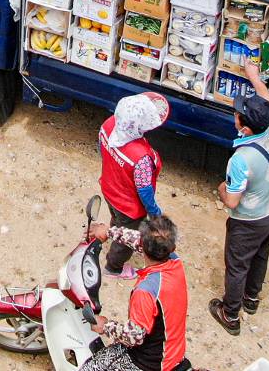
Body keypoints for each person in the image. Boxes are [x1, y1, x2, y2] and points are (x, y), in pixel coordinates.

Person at [209, 59, 269, 335]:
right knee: (261, 255)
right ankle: (251, 299)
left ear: (244, 127)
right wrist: (253, 76)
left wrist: (220, 188)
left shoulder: (241, 159)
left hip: (250, 220)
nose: (236, 114)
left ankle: (230, 313)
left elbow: (231, 201)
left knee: (237, 265)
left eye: (238, 114)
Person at [83, 215, 192, 371]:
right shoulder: (174, 261)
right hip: (172, 352)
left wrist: (105, 326)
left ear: (143, 247)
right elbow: (142, 241)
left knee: (89, 368)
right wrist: (109, 231)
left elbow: (134, 336)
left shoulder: (146, 292)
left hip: (150, 363)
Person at [99, 92, 170, 279]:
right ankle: (114, 266)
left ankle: (113, 230)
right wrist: (154, 213)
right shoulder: (141, 158)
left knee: (116, 217)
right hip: (129, 206)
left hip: (108, 188)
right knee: (128, 232)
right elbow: (145, 191)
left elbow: (102, 151)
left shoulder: (108, 125)